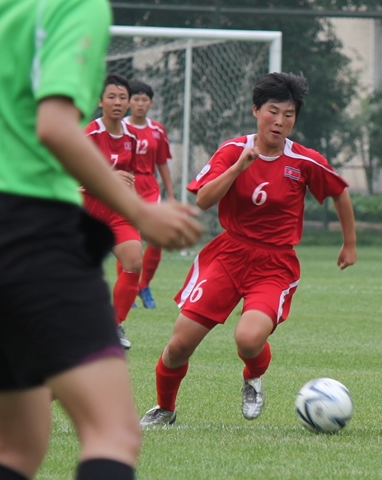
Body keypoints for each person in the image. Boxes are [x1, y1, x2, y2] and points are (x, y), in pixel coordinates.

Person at [0, 1, 202, 479]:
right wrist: (138, 211)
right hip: (29, 226)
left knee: (17, 446)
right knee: (112, 433)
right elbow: (53, 127)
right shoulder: (73, 8)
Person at [140, 72, 357, 427]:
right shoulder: (232, 151)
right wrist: (241, 165)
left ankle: (253, 377)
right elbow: (205, 199)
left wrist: (349, 243)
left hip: (274, 263)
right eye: (273, 111)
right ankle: (165, 408)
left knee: (249, 338)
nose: (280, 121)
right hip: (227, 255)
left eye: (289, 114)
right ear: (256, 110)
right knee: (179, 345)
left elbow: (339, 192)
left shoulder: (304, 160)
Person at [83, 73, 143, 349]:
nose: (117, 102)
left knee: (133, 261)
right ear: (100, 101)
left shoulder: (131, 137)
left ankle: (113, 325)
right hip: (88, 212)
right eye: (111, 97)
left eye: (122, 97)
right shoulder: (89, 133)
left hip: (117, 212)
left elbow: (128, 176)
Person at [123, 81, 175, 309]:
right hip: (125, 184)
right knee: (128, 237)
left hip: (149, 186)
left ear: (151, 103)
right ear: (128, 102)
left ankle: (144, 285)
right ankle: (129, 287)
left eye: (145, 100)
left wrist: (170, 195)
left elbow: (162, 162)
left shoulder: (157, 130)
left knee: (156, 238)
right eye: (136, 99)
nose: (140, 104)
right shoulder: (120, 127)